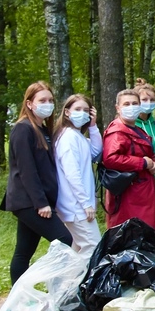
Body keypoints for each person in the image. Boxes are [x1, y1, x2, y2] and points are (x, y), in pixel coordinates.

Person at [1, 82, 74, 282]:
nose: (47, 104)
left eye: (50, 100)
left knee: (23, 252)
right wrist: (40, 202)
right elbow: (27, 171)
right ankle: (50, 283)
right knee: (64, 240)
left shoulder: (42, 130)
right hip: (28, 202)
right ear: (30, 103)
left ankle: (18, 301)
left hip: (38, 201)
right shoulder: (23, 129)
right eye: (42, 100)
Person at [102, 88, 155, 243]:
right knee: (127, 234)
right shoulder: (116, 131)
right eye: (127, 104)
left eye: (135, 103)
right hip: (127, 192)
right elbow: (110, 158)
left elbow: (150, 154)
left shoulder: (137, 130)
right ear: (118, 108)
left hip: (144, 191)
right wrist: (142, 163)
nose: (131, 107)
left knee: (149, 232)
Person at [54, 94, 103, 254]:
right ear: (67, 112)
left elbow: (96, 152)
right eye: (78, 109)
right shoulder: (67, 137)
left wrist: (93, 126)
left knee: (76, 249)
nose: (82, 113)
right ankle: (77, 279)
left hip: (79, 205)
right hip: (75, 206)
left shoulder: (78, 136)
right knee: (92, 247)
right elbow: (72, 174)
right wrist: (85, 204)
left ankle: (64, 279)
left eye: (86, 110)